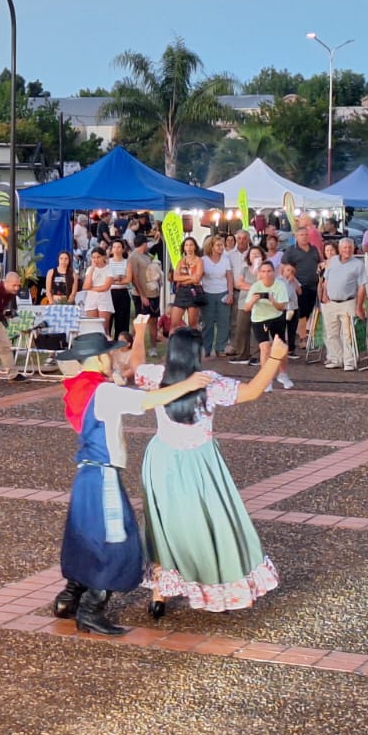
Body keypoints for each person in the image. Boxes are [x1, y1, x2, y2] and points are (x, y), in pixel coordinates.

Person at [49, 330, 223, 636]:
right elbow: (146, 400)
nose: (114, 357)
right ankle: (91, 609)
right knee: (117, 540)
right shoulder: (103, 392)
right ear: (98, 358)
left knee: (85, 536)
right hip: (103, 474)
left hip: (85, 475)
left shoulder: (78, 387)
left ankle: (69, 598)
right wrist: (187, 384)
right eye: (110, 354)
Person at [126, 326, 287, 616]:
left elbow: (135, 364)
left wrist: (139, 332)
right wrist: (275, 358)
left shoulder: (156, 375)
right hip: (199, 460)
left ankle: (160, 592)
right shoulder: (209, 382)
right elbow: (252, 392)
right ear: (196, 353)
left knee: (164, 524)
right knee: (206, 522)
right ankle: (213, 589)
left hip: (162, 458)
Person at [240, 261, 294, 390]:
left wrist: (272, 300)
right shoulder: (256, 286)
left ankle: (283, 374)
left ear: (274, 272)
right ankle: (266, 380)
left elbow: (282, 307)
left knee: (281, 348)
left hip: (276, 317)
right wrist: (253, 301)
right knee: (265, 348)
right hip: (259, 319)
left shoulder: (280, 285)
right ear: (260, 273)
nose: (266, 274)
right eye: (263, 271)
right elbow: (246, 308)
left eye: (269, 271)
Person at [319, 236, 368, 371]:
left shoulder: (358, 264)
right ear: (340, 249)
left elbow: (362, 287)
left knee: (348, 334)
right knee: (331, 333)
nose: (347, 250)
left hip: (348, 302)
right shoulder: (333, 261)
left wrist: (359, 307)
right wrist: (324, 295)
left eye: (350, 247)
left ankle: (349, 361)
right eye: (345, 247)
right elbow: (326, 280)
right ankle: (337, 359)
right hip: (331, 303)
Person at [198, 234, 235, 356]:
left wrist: (230, 294)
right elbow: (199, 276)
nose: (221, 247)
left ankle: (220, 347)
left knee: (224, 322)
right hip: (207, 293)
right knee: (207, 323)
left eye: (222, 245)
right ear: (211, 246)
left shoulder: (225, 260)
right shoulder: (203, 260)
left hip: (223, 292)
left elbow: (229, 278)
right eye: (218, 245)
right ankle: (206, 348)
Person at [168, 236, 204, 338]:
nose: (189, 247)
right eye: (187, 245)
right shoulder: (181, 261)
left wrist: (183, 278)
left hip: (194, 291)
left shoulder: (199, 261)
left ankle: (194, 346)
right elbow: (175, 277)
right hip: (181, 291)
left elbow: (197, 279)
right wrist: (190, 277)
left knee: (193, 324)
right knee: (174, 324)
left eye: (191, 245)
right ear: (184, 247)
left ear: (195, 247)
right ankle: (171, 345)